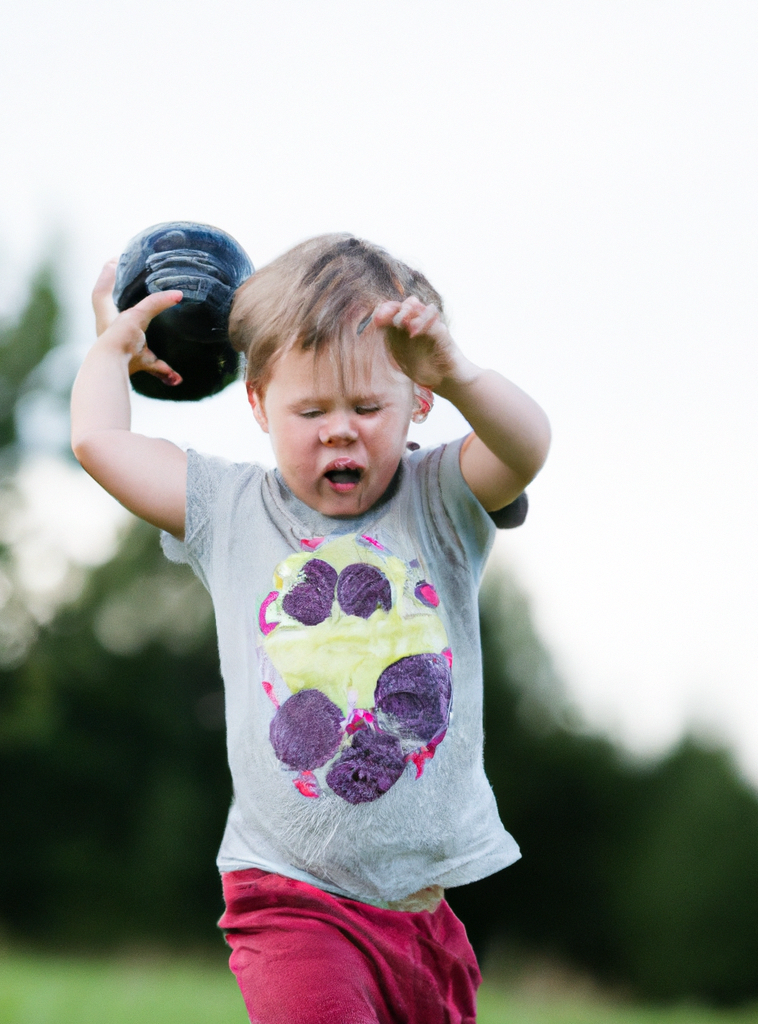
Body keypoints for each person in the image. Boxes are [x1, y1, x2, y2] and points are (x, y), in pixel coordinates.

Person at [71, 234, 550, 1023]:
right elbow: (101, 443)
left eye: (367, 407)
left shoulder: (442, 498)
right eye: (310, 410)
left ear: (416, 401)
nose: (340, 431)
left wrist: (460, 373)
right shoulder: (229, 511)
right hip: (291, 900)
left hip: (423, 918)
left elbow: (528, 448)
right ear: (257, 401)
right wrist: (110, 353)